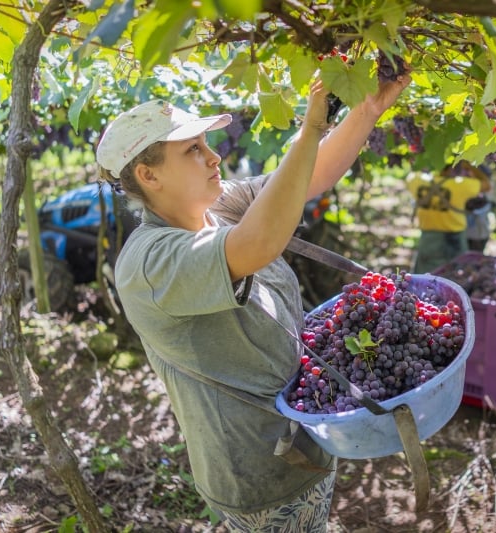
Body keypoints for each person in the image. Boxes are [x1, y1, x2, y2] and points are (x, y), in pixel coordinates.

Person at [94, 69, 410, 531]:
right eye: (193, 150)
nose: (214, 156)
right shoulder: (149, 261)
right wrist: (309, 128)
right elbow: (256, 244)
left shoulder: (217, 210)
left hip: (303, 444)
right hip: (257, 473)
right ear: (148, 175)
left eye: (206, 144)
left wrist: (367, 110)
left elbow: (306, 177)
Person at [406, 160, 489, 273]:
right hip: (455, 238)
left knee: (426, 277)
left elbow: (414, 169)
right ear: (452, 168)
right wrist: (467, 163)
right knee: (457, 274)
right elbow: (486, 185)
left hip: (429, 238)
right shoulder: (460, 185)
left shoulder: (418, 181)